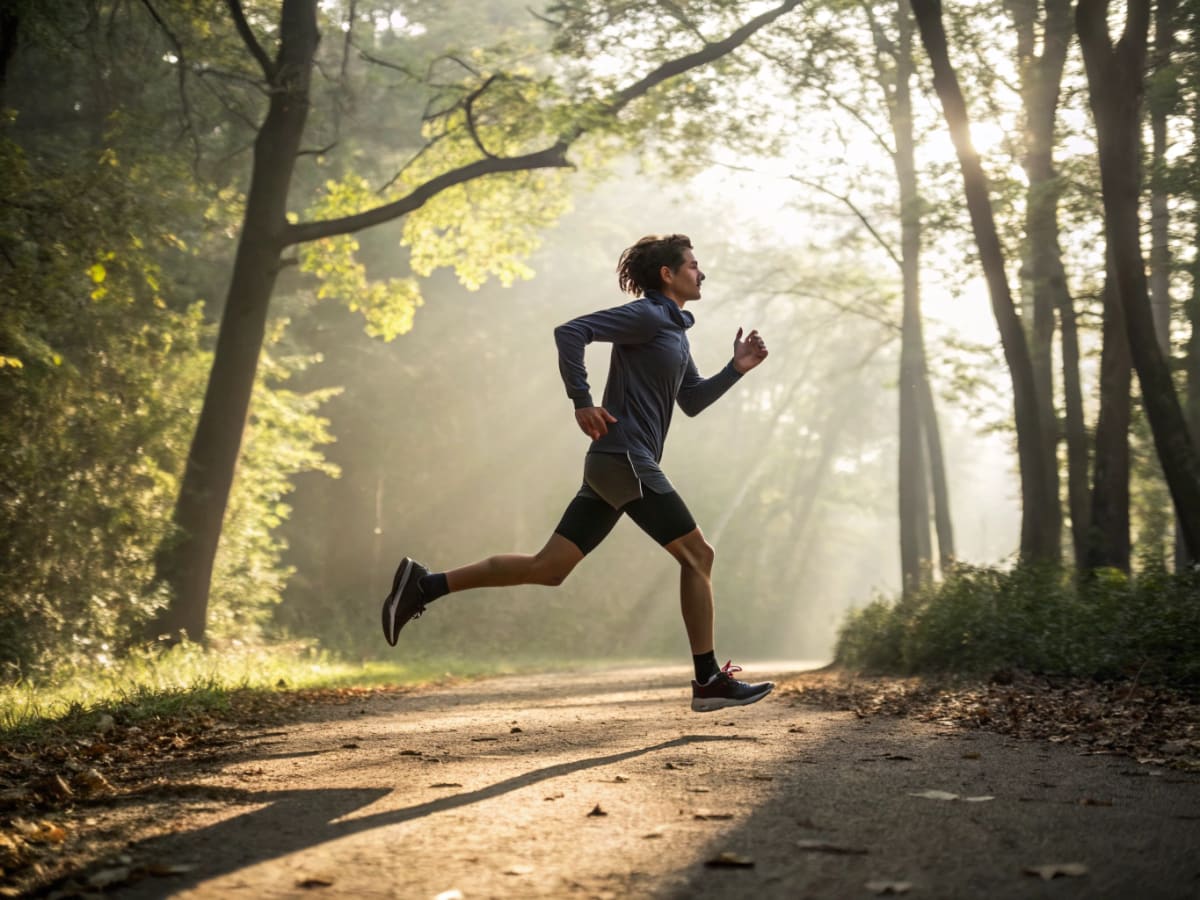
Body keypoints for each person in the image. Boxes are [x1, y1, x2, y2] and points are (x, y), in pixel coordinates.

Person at [381, 233, 773, 712]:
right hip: (625, 457)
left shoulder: (672, 330)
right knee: (699, 556)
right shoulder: (649, 315)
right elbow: (571, 332)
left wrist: (736, 368)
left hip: (616, 464)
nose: (701, 272)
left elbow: (690, 400)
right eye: (693, 265)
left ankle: (425, 585)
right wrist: (582, 401)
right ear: (667, 274)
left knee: (548, 569)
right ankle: (708, 679)